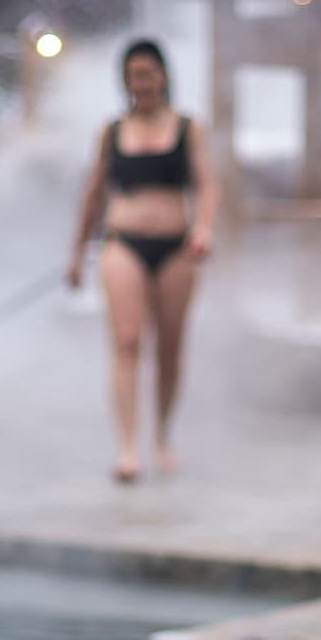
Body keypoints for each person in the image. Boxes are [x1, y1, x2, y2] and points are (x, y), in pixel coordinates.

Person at [66, 39, 219, 483]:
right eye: (134, 76)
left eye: (149, 74)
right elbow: (93, 194)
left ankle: (163, 435)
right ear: (125, 81)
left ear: (164, 77)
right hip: (122, 242)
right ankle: (127, 447)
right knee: (127, 340)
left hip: (176, 246)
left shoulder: (188, 127)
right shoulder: (111, 131)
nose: (143, 84)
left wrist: (204, 228)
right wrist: (76, 253)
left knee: (169, 347)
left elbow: (207, 185)